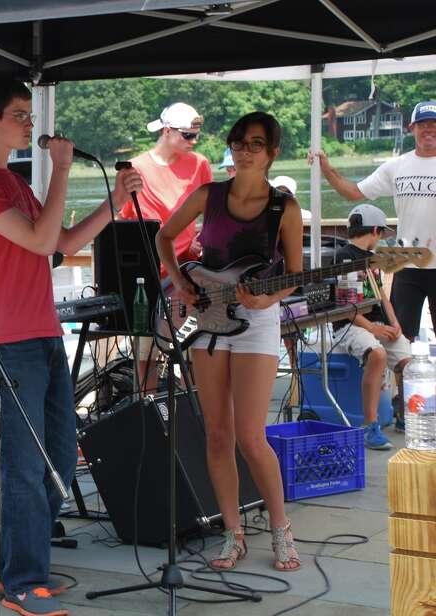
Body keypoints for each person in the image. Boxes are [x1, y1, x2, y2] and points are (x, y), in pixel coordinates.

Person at [0, 78, 142, 616]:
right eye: (19, 116)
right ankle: (21, 582)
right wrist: (61, 169)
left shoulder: (13, 184)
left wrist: (114, 203)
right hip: (6, 341)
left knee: (60, 458)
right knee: (23, 465)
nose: (29, 125)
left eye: (29, 117)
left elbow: (58, 243)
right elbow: (40, 240)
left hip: (41, 334)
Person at [156, 112, 303, 573]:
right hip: (206, 320)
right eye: (238, 143)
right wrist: (180, 282)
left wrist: (269, 300)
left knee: (250, 436)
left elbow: (295, 276)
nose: (244, 151)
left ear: (272, 152)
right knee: (217, 434)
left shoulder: (285, 207)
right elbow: (164, 237)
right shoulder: (208, 195)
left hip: (258, 323)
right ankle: (231, 534)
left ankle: (281, 530)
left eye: (255, 144)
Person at [308, 101, 436, 344]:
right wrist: (327, 168)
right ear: (411, 128)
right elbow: (353, 192)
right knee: (401, 338)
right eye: (423, 124)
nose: (429, 129)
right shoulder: (397, 166)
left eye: (433, 124)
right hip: (407, 262)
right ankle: (400, 383)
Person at [121, 102, 213, 393]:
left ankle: (196, 419)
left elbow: (211, 214)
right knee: (146, 355)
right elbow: (123, 223)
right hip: (147, 274)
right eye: (187, 135)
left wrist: (203, 240)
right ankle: (145, 415)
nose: (194, 141)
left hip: (186, 273)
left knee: (192, 356)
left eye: (196, 135)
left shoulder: (200, 164)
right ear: (167, 131)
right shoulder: (136, 168)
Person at [332, 204, 412, 450]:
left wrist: (394, 323)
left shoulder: (372, 258)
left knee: (408, 361)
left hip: (376, 322)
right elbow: (347, 306)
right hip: (350, 324)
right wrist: (374, 329)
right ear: (375, 230)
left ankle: (402, 413)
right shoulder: (345, 256)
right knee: (377, 354)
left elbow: (382, 297)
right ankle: (371, 425)